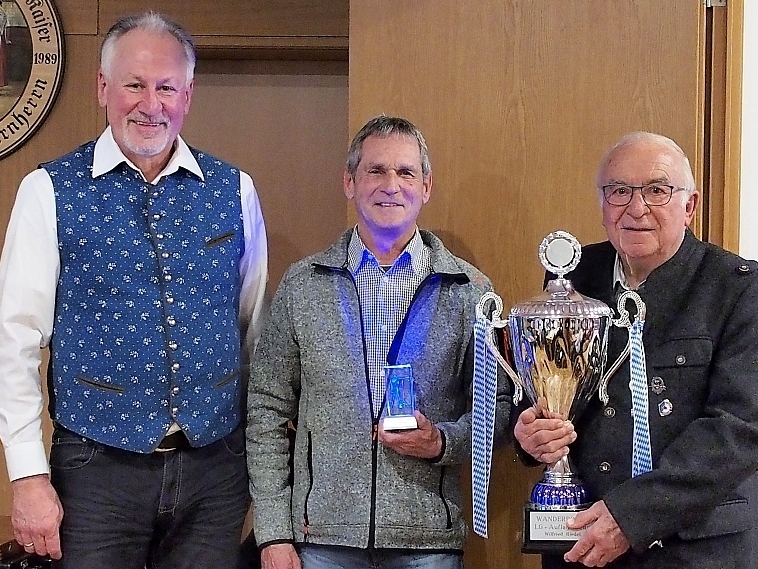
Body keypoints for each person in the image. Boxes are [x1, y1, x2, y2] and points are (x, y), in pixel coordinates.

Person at [0, 11, 268, 569]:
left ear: (187, 95)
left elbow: (253, 332)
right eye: (134, 85)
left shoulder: (235, 190)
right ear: (103, 88)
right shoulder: (49, 190)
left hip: (215, 471)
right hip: (96, 471)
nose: (151, 104)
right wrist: (27, 476)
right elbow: (13, 340)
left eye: (166, 87)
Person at [246, 115, 510, 569]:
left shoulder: (470, 291)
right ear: (349, 182)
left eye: (406, 172)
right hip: (320, 541)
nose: (391, 185)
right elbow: (266, 409)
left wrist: (441, 442)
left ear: (426, 187)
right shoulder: (303, 285)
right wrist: (273, 533)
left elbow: (500, 409)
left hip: (427, 542)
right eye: (376, 170)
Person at [514, 131, 758, 568]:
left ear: (690, 206)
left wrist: (631, 516)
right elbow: (546, 387)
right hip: (582, 540)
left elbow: (738, 428)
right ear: (602, 204)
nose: (636, 208)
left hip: (696, 549)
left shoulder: (739, 288)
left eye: (657, 190)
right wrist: (532, 434)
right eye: (619, 190)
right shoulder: (572, 278)